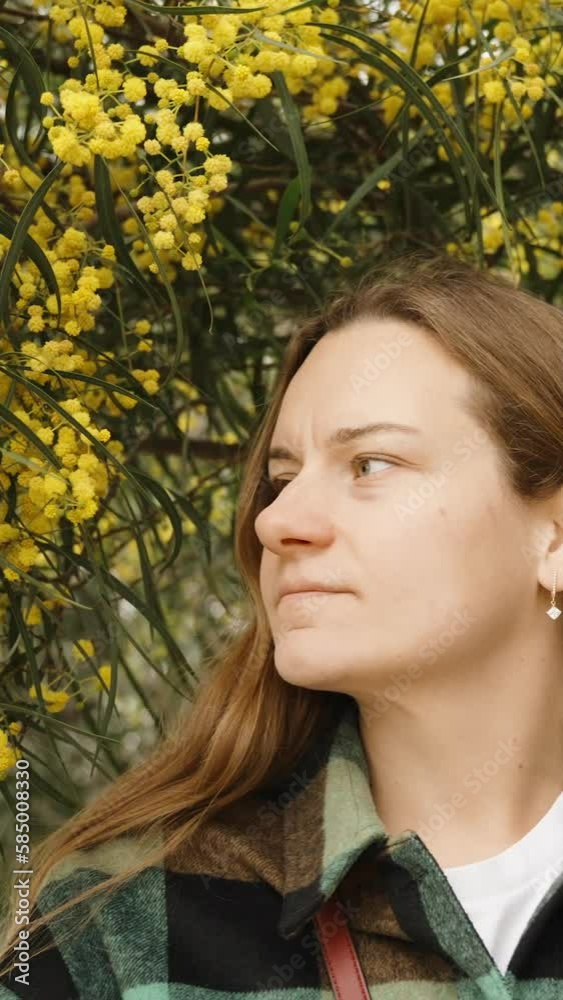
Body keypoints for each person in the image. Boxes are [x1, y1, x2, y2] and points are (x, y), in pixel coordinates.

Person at [1, 250, 563, 999]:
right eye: (282, 478)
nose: (277, 520)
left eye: (370, 463)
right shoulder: (114, 922)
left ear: (552, 538)